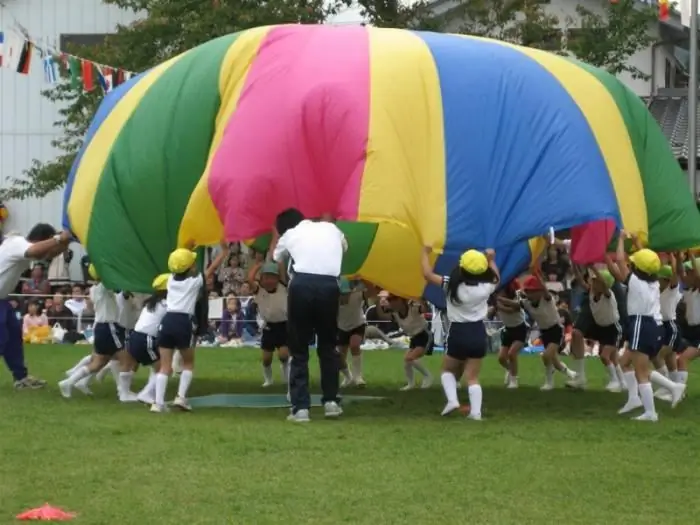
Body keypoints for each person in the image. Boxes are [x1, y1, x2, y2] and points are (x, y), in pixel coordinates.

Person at [270, 208, 347, 423]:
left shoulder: (290, 234)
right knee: (328, 346)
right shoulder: (332, 229)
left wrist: (278, 238)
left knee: (299, 348)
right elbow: (345, 246)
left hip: (302, 285)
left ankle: (300, 408)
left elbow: (276, 258)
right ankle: (331, 402)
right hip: (330, 286)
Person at [605, 232, 685, 421]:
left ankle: (651, 412)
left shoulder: (634, 281)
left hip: (643, 325)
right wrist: (638, 243)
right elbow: (648, 263)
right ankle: (645, 395)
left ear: (636, 268)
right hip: (653, 326)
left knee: (641, 370)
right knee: (625, 363)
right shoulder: (654, 282)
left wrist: (622, 240)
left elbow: (620, 260)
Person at [421, 247, 499, 420]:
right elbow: (496, 278)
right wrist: (491, 259)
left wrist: (425, 253)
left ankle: (452, 400)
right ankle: (476, 413)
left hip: (458, 331)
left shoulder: (451, 284)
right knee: (472, 377)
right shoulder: (486, 287)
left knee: (447, 370)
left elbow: (427, 274)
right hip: (478, 332)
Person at [0, 224, 71, 389]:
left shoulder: (21, 248)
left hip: (2, 300)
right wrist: (59, 238)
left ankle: (21, 378)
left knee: (13, 341)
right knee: (2, 339)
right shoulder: (17, 243)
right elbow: (37, 251)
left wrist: (67, 241)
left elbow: (47, 253)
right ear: (43, 239)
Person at [59, 264, 125, 398]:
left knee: (100, 361)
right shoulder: (105, 287)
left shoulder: (94, 289)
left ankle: (71, 381)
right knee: (124, 357)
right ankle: (123, 391)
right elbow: (119, 288)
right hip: (109, 326)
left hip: (102, 326)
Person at [121, 274, 169, 405]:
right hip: (145, 339)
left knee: (132, 364)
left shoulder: (151, 303)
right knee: (163, 368)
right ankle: (146, 393)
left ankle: (124, 393)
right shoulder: (166, 304)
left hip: (135, 336)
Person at [247, 259, 290, 387]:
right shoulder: (259, 290)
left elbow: (281, 266)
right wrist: (257, 266)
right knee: (266, 358)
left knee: (284, 355)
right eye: (266, 278)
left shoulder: (283, 287)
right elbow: (250, 279)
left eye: (272, 278)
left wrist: (277, 256)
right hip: (269, 326)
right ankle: (268, 379)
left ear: (277, 278)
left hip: (283, 325)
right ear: (261, 279)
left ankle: (286, 377)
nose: (269, 281)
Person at [386, 294, 433, 390]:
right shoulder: (394, 314)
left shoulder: (413, 308)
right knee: (406, 361)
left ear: (401, 300)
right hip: (413, 337)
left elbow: (425, 309)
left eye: (394, 299)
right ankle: (410, 384)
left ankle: (428, 376)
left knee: (410, 358)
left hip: (424, 335)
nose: (391, 302)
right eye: (389, 300)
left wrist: (421, 300)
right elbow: (382, 313)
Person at [495, 280, 527, 389]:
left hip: (519, 329)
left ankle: (514, 381)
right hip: (508, 329)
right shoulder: (497, 299)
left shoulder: (517, 296)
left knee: (512, 353)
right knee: (501, 358)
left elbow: (513, 309)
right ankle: (510, 369)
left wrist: (499, 302)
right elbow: (493, 311)